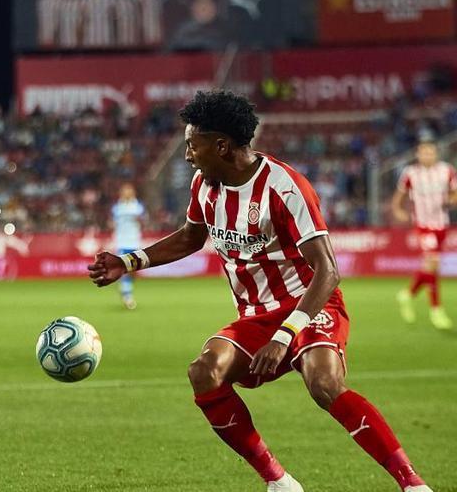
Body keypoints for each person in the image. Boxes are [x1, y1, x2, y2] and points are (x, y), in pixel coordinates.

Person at [88, 90, 432, 492]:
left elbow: (328, 270)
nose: (187, 156)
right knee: (204, 372)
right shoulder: (205, 183)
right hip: (255, 315)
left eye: (191, 146)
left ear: (221, 146)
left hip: (308, 302)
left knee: (323, 383)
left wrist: (285, 335)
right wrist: (130, 262)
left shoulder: (285, 188)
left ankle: (411, 484)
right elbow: (189, 238)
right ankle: (279, 482)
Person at [392, 139, 457, 329]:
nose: (427, 156)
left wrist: (452, 200)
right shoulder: (411, 173)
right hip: (423, 224)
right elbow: (399, 196)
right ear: (418, 154)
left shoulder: (446, 170)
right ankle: (436, 309)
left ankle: (407, 294)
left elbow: (454, 192)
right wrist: (398, 210)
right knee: (433, 262)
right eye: (423, 152)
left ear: (436, 154)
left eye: (430, 152)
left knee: (431, 266)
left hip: (441, 224)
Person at [111, 182, 145, 309]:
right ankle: (127, 296)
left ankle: (125, 287)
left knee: (133, 270)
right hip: (122, 241)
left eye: (129, 190)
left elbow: (141, 221)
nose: (127, 192)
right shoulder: (117, 207)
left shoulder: (137, 206)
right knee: (126, 268)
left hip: (134, 241)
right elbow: (114, 223)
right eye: (125, 190)